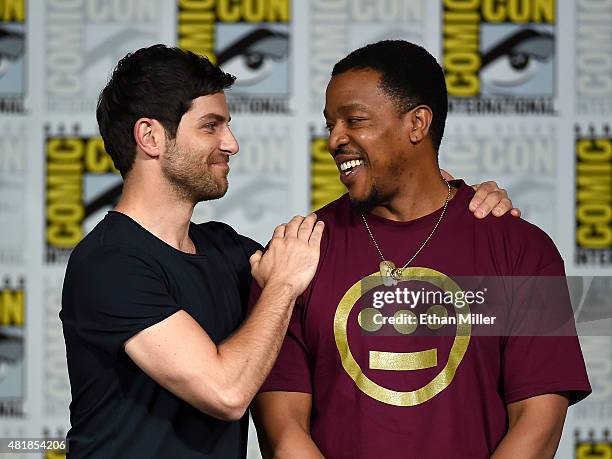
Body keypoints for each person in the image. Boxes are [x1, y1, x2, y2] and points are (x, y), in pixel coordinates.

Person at [60, 44, 517, 458]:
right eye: (211, 127)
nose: (230, 144)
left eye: (228, 126)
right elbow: (226, 391)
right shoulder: (107, 263)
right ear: (151, 137)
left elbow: (331, 267)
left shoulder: (227, 251)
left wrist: (446, 198)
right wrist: (281, 286)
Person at [252, 41, 591, 459]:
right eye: (330, 125)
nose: (335, 140)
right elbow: (282, 431)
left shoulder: (523, 250)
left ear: (418, 124)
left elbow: (538, 424)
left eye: (354, 120)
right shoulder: (293, 256)